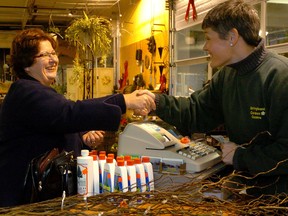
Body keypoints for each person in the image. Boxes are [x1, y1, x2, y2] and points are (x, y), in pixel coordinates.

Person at [143, 0, 288, 197]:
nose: (205, 47)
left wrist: (240, 156)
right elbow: (196, 112)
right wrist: (155, 102)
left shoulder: (280, 77)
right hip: (249, 192)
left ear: (232, 37)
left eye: (208, 38)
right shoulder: (226, 77)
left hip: (279, 199)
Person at [0, 28, 155, 207]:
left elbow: (55, 121)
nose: (53, 59)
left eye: (53, 53)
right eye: (45, 55)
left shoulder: (37, 90)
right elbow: (69, 113)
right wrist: (123, 101)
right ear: (26, 63)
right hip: (23, 199)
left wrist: (82, 137)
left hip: (36, 196)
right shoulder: (26, 91)